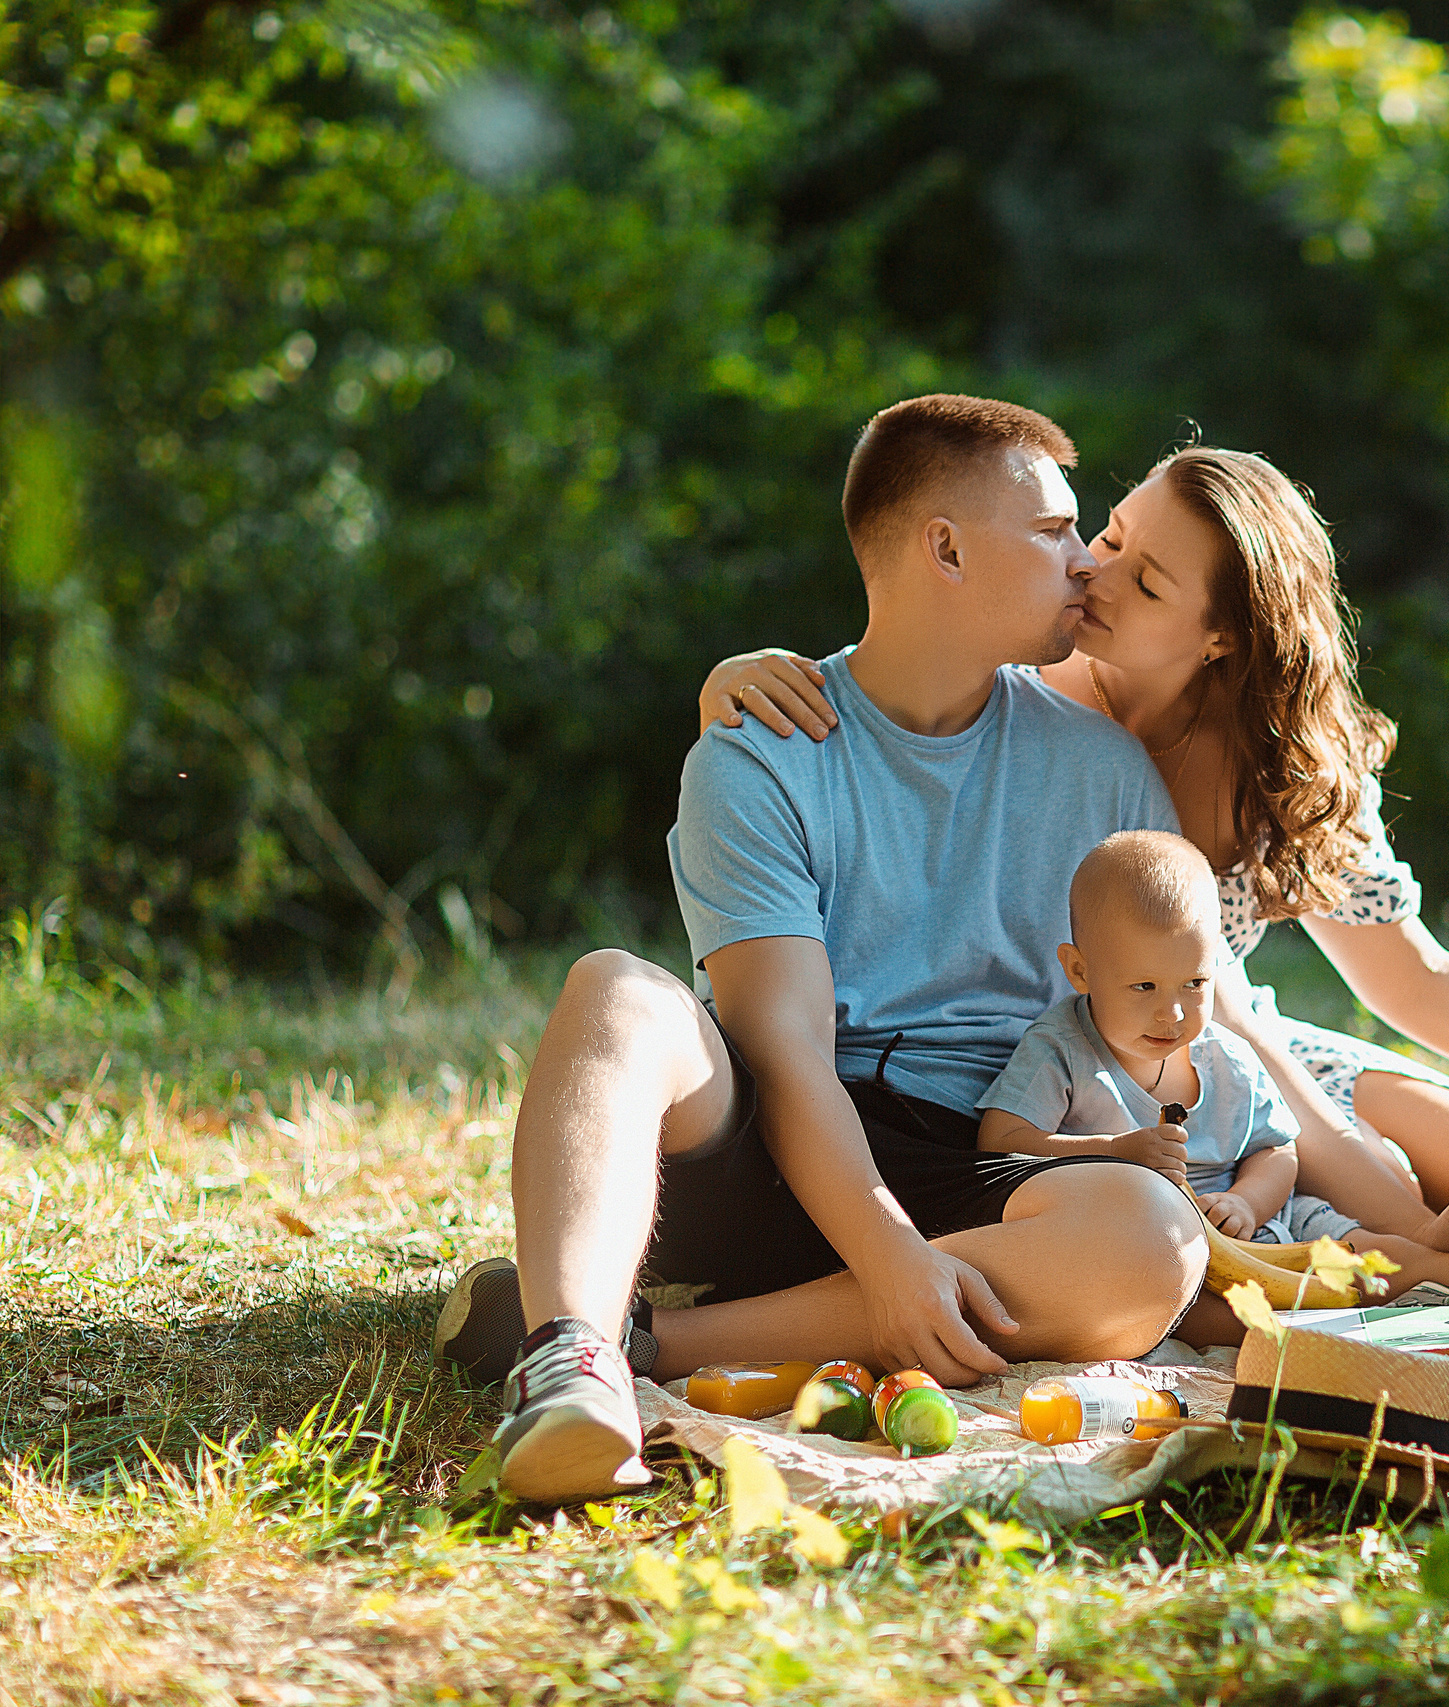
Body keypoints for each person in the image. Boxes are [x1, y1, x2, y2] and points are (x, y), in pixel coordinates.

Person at [434, 394, 1213, 1506]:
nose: (1084, 561)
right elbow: (784, 1043)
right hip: (780, 1141)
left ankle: (644, 1338)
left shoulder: (1106, 775)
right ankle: (569, 1367)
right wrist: (889, 1256)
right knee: (615, 989)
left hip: (978, 1166)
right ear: (942, 546)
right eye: (1050, 531)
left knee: (1150, 1243)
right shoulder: (764, 748)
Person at [697, 447, 1449, 1238]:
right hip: (1089, 1062)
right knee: (1390, 1188)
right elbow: (901, 681)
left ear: (1222, 636)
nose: (1091, 572)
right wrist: (731, 684)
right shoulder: (1022, 674)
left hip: (1222, 1041)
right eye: (1108, 536)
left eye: (1144, 580)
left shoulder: (1276, 759)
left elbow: (1407, 977)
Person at [978, 831, 1449, 1339]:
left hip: (1264, 1224)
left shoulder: (1224, 1055)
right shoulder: (1062, 1051)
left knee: (1370, 1249)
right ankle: (1374, 1321)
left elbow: (1278, 1150)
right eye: (1144, 988)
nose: (1175, 1012)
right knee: (1198, 1311)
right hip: (1156, 1242)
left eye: (1195, 982)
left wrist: (1249, 1199)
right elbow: (998, 1140)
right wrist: (1115, 1150)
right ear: (1079, 969)